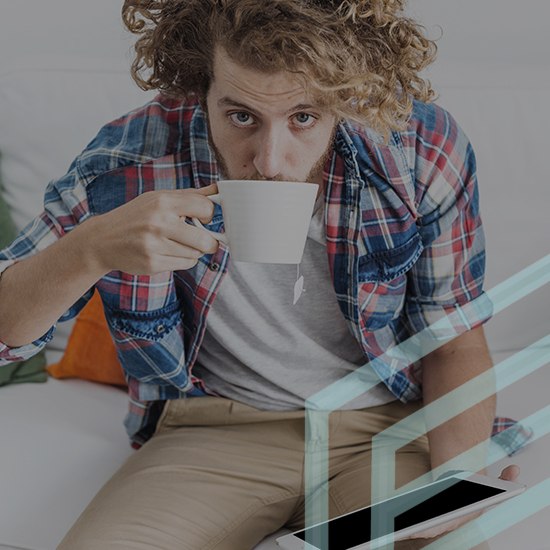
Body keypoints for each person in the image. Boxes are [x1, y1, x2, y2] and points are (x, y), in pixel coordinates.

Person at [0, 1, 524, 548]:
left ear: (343, 98)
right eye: (242, 116)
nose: (271, 161)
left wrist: (455, 480)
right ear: (200, 86)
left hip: (387, 424)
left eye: (303, 116)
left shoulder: (418, 147)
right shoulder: (129, 160)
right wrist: (88, 249)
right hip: (214, 430)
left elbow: (453, 342)